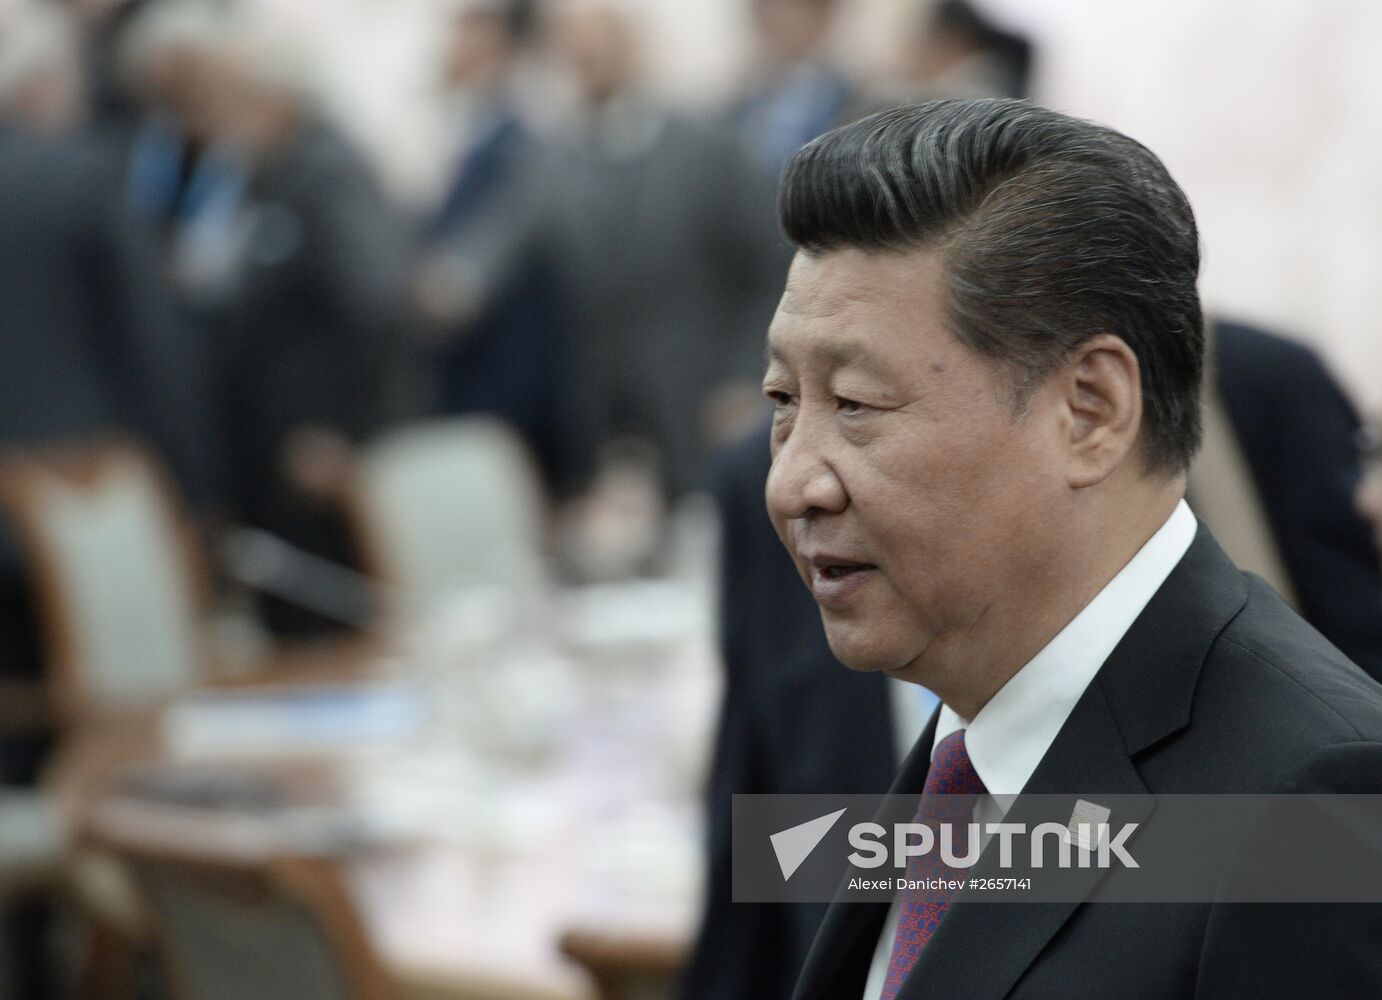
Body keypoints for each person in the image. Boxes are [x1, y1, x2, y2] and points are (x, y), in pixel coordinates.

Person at [762, 100, 1382, 999]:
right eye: (783, 401)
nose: (792, 483)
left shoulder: (1313, 802)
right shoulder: (967, 742)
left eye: (857, 404)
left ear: (1090, 410)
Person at [413, 0, 565, 484]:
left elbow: (500, 241)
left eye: (463, 29)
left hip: (505, 365)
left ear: (494, 39)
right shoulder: (456, 128)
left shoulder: (526, 133)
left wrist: (447, 285)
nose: (449, 43)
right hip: (459, 365)